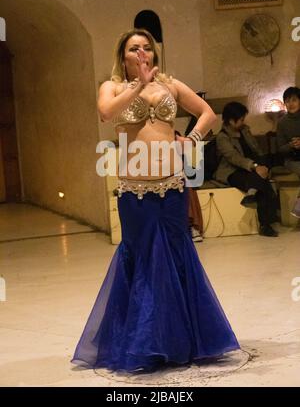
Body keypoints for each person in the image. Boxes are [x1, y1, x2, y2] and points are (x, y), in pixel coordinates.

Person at [71, 29, 240, 373]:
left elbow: (207, 113)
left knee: (177, 259)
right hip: (135, 191)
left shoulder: (170, 86)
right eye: (134, 49)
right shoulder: (113, 87)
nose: (142, 53)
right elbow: (105, 113)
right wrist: (136, 85)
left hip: (173, 187)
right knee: (143, 261)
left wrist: (189, 139)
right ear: (123, 56)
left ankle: (184, 340)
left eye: (147, 47)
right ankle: (143, 342)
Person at [215, 102, 279, 237]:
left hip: (251, 168)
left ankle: (252, 193)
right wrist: (255, 167)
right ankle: (265, 224)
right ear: (232, 121)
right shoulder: (222, 137)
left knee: (260, 180)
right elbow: (234, 157)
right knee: (262, 183)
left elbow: (256, 149)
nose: (243, 122)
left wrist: (263, 164)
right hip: (232, 171)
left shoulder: (245, 130)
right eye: (241, 119)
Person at [277, 86, 300, 218]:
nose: (290, 104)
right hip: (291, 160)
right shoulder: (282, 123)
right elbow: (280, 148)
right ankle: (298, 209)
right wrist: (291, 145)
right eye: (287, 101)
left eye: (294, 100)